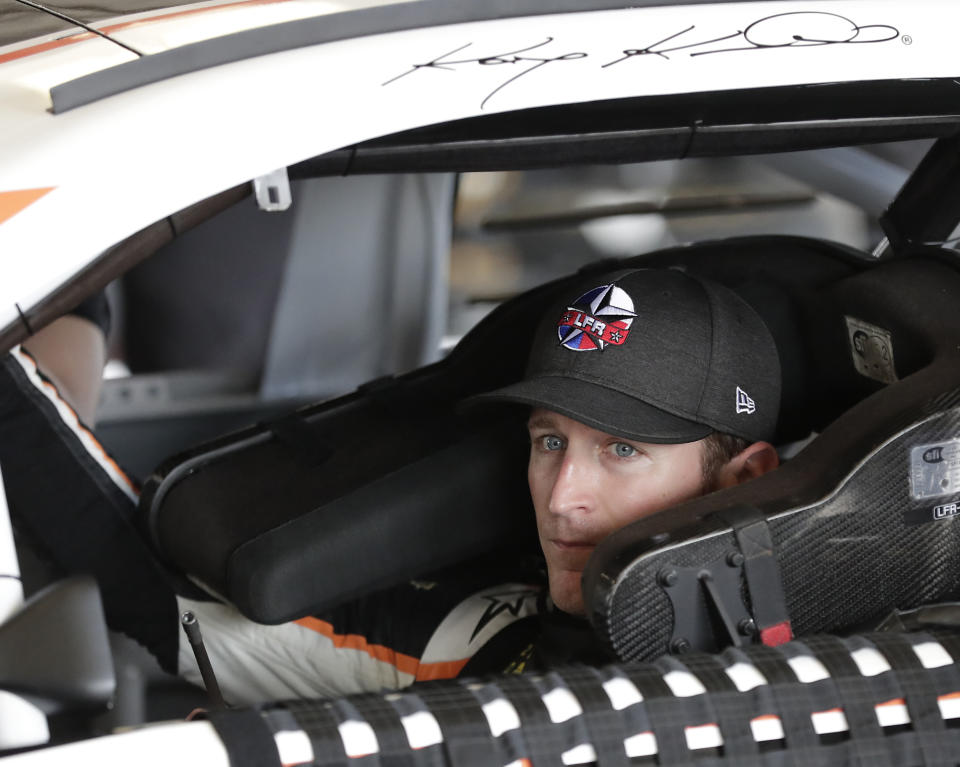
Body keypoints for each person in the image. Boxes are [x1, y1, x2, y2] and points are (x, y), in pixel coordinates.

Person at [3, 266, 781, 704]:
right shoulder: (480, 637)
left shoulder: (863, 644)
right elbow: (160, 613)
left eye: (620, 449)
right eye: (550, 440)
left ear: (746, 477)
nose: (560, 495)